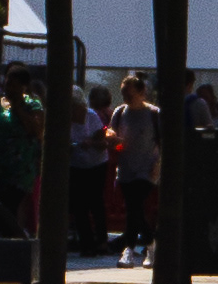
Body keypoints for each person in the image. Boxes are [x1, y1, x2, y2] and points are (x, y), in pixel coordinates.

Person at [0, 64, 45, 240]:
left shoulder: (32, 105)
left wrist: (17, 107)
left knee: (11, 208)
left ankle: (16, 242)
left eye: (13, 85)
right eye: (7, 84)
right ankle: (11, 240)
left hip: (20, 170)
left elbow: (36, 131)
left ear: (23, 86)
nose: (8, 88)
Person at [111, 76, 163, 263]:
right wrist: (112, 139)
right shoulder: (120, 112)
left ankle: (129, 249)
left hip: (147, 168)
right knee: (134, 208)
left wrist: (158, 164)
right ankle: (150, 244)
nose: (126, 98)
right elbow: (113, 135)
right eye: (124, 94)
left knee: (134, 204)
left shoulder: (154, 114)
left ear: (142, 93)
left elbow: (162, 141)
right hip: (126, 167)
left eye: (130, 94)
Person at [67, 84, 110, 254]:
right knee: (79, 204)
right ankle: (87, 242)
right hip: (76, 164)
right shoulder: (66, 120)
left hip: (96, 164)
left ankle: (102, 240)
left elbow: (103, 143)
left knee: (96, 201)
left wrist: (90, 143)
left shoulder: (91, 117)